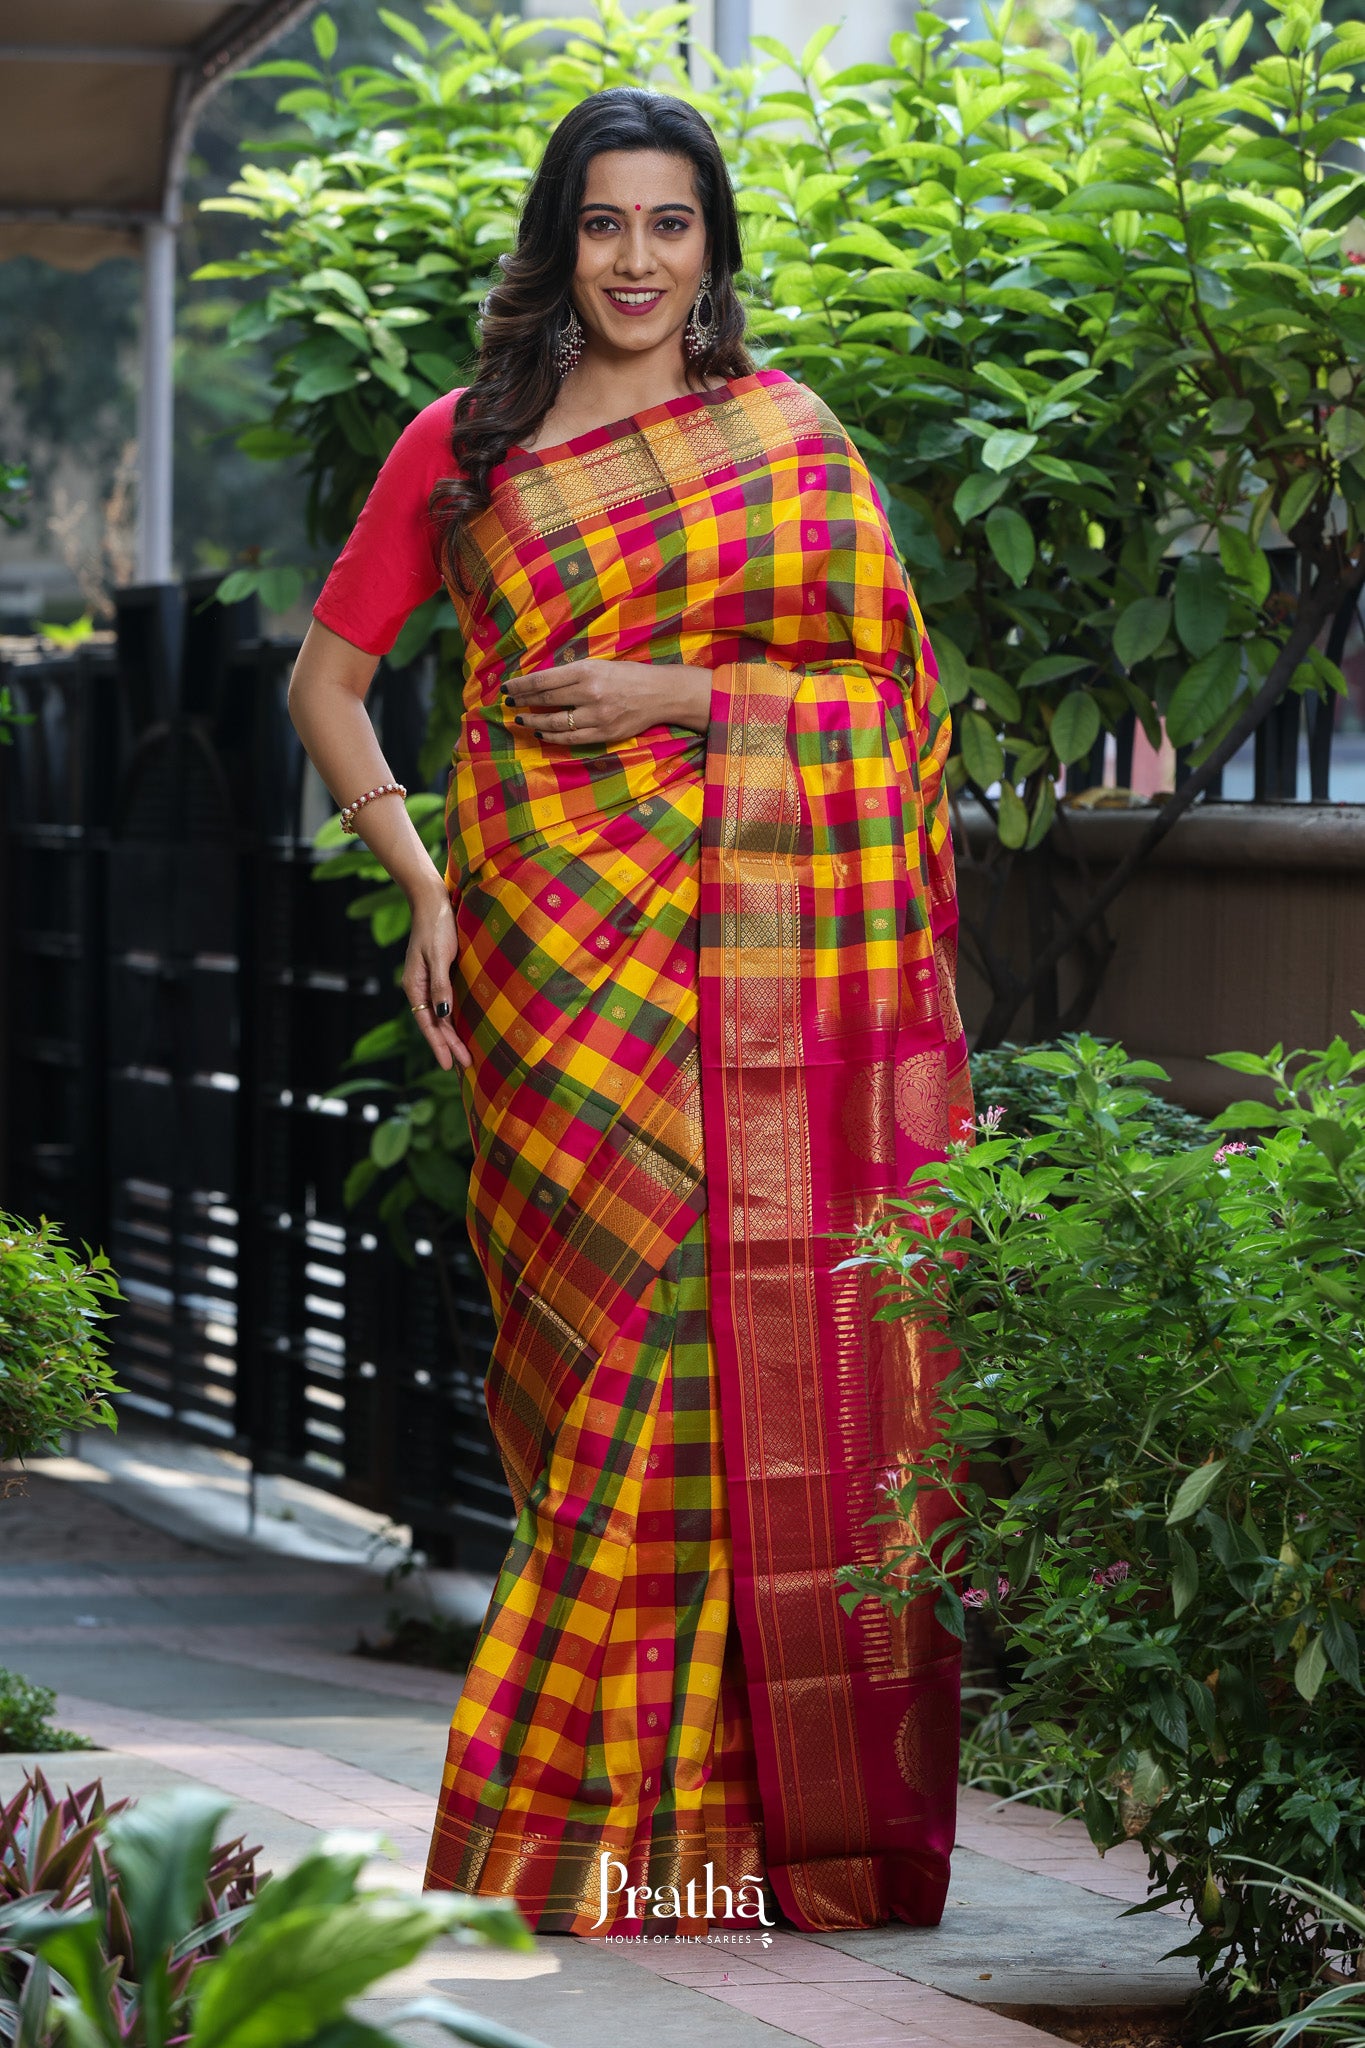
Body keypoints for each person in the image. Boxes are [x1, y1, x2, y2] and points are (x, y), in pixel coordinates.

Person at [289, 85, 973, 1941]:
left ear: (712, 248)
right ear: (559, 240)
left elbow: (891, 713)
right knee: (602, 1371)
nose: (637, 260)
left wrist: (684, 693)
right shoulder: (465, 445)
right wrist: (423, 880)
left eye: (671, 224)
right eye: (604, 223)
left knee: (722, 1356)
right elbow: (327, 683)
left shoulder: (786, 440)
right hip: (548, 955)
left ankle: (708, 1842)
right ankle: (602, 1841)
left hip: (754, 959)